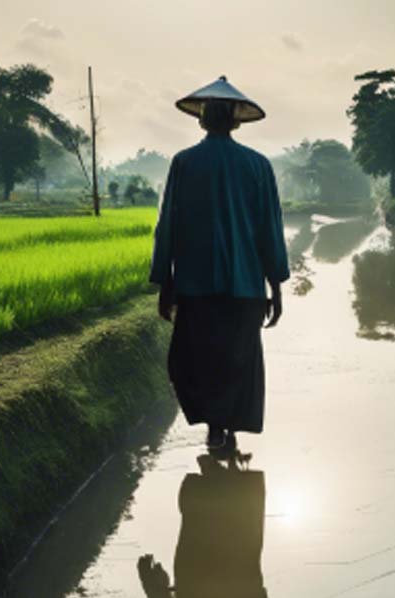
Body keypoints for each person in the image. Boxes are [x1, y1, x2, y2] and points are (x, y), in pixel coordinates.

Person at [150, 76, 290, 450]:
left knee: (196, 360)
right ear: (235, 121)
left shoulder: (184, 163)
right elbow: (270, 230)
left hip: (195, 286)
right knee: (238, 360)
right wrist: (275, 287)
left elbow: (169, 228)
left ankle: (214, 426)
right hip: (245, 287)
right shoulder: (258, 165)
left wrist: (166, 282)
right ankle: (228, 428)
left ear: (201, 120)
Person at [137, 454, 284, 598]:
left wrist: (155, 589)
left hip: (217, 583)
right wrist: (155, 589)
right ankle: (219, 477)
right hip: (222, 584)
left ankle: (221, 478)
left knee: (232, 527)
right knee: (226, 531)